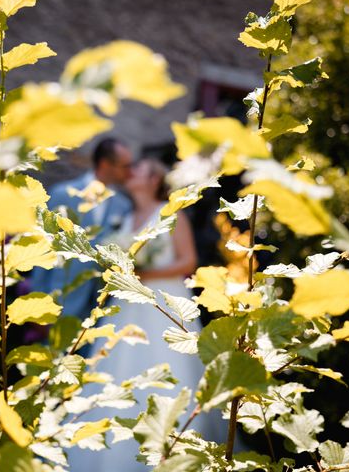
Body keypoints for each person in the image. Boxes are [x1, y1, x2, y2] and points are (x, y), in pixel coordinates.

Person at [67, 157, 231, 471]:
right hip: (129, 306)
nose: (130, 171)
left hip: (164, 305)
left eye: (138, 168)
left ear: (155, 178)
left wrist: (144, 275)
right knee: (119, 368)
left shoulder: (170, 214)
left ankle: (176, 450)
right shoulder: (126, 218)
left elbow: (188, 261)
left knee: (170, 368)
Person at [30, 138, 134, 321]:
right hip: (60, 299)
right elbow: (43, 248)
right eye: (125, 166)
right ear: (105, 164)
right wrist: (38, 304)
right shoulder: (63, 194)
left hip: (100, 307)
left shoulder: (123, 205)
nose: (129, 172)